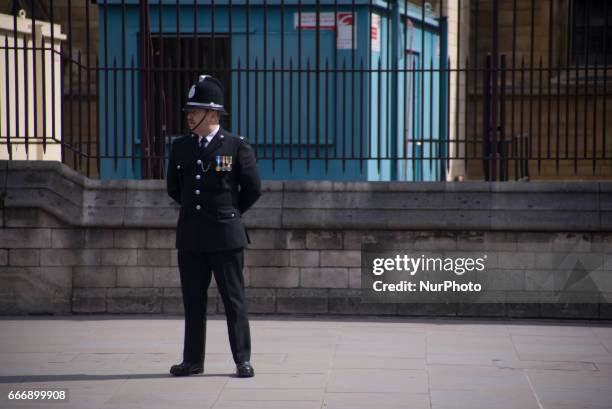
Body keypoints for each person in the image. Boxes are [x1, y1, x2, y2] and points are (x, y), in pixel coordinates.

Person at [166, 74, 261, 377]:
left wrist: (229, 213)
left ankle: (242, 359)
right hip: (191, 237)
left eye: (194, 111)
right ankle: (193, 360)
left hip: (225, 236)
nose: (189, 116)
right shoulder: (181, 147)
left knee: (234, 301)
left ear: (212, 113)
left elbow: (253, 188)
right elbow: (174, 188)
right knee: (193, 302)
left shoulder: (236, 146)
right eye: (189, 111)